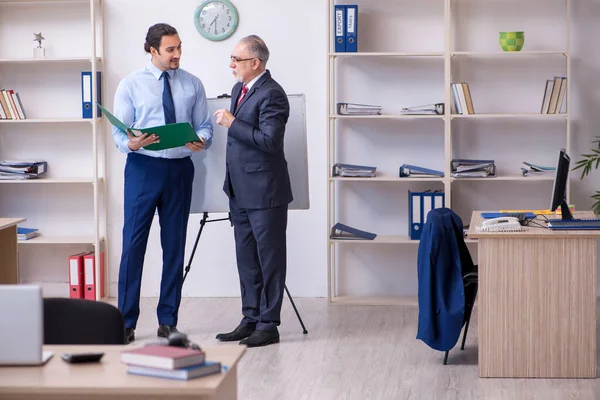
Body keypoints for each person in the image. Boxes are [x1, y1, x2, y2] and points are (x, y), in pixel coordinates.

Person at [112, 23, 213, 344]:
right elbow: (119, 132)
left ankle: (168, 321)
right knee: (133, 245)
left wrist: (202, 140)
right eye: (170, 49)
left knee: (174, 247)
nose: (177, 54)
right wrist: (132, 144)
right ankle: (125, 322)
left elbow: (205, 125)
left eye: (179, 47)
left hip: (180, 170)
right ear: (152, 51)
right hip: (143, 168)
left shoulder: (192, 84)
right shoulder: (130, 84)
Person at [214, 35, 292, 347]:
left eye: (236, 59)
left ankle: (269, 324)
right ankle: (251, 318)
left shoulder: (273, 94)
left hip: (265, 192)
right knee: (246, 259)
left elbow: (270, 142)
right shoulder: (239, 89)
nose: (231, 65)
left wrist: (233, 123)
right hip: (239, 191)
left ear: (255, 63)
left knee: (269, 260)